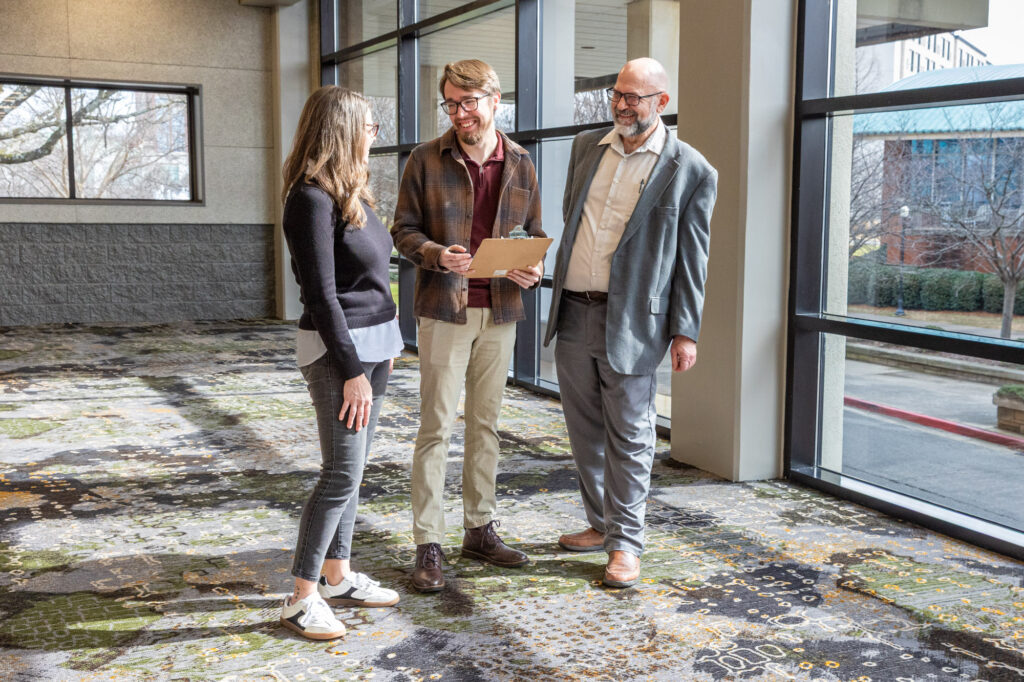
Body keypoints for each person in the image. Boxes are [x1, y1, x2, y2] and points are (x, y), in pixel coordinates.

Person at [544, 58, 718, 588]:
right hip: (574, 309)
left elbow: (694, 257)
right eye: (618, 94)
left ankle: (626, 544)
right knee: (583, 432)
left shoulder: (689, 168)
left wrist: (685, 330)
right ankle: (599, 524)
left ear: (661, 102)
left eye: (635, 97)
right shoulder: (584, 148)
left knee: (631, 435)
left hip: (633, 323)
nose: (622, 105)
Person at [391, 59, 544, 593]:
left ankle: (479, 529)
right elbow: (402, 231)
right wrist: (436, 253)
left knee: (486, 426)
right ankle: (427, 542)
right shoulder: (424, 159)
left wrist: (535, 267)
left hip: (501, 311)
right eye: (451, 104)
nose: (459, 114)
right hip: (444, 309)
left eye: (468, 103)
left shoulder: (522, 162)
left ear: (494, 100)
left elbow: (536, 233)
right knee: (435, 428)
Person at [279, 86, 402, 640]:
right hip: (338, 354)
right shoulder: (310, 200)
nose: (375, 134)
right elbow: (323, 296)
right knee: (340, 474)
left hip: (374, 349)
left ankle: (338, 575)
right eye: (369, 125)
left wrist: (389, 348)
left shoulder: (352, 193)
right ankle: (301, 597)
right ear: (342, 129)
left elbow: (374, 284)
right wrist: (353, 369)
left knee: (352, 474)